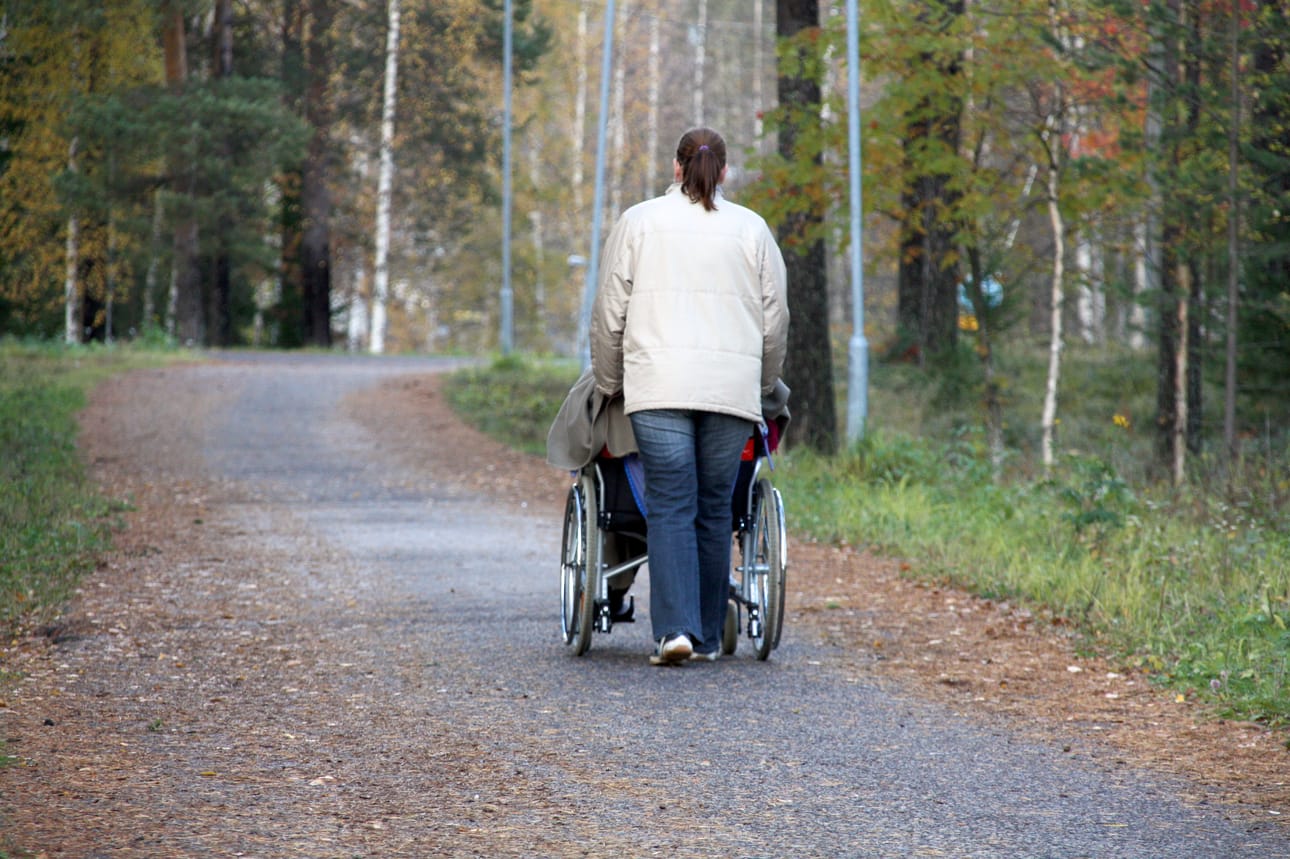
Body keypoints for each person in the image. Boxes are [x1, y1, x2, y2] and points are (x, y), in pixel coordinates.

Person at [590, 127, 790, 665]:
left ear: (675, 167)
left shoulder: (637, 222)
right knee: (714, 506)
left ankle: (673, 631)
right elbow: (775, 322)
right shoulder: (753, 230)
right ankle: (703, 638)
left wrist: (610, 383)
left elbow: (610, 313)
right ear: (724, 172)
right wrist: (764, 384)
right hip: (730, 391)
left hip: (657, 385)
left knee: (671, 502)